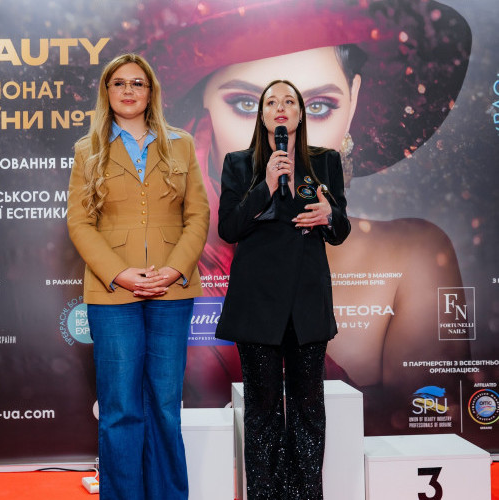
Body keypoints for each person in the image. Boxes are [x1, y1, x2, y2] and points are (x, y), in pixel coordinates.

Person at [129, 0, 472, 415]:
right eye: (246, 104)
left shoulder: (414, 254)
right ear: (202, 108)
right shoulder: (164, 255)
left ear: (353, 101)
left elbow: (425, 423)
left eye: (318, 105)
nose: (282, 125)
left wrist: (326, 217)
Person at [67, 53, 209, 500]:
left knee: (165, 405)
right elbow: (80, 223)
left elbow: (198, 215)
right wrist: (120, 273)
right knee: (120, 408)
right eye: (119, 83)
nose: (128, 90)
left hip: (172, 289)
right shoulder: (87, 149)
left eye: (138, 83)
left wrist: (174, 269)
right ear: (107, 92)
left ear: (151, 93)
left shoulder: (181, 143)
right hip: (113, 294)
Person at [215, 79, 350, 499]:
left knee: (309, 408)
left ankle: (306, 494)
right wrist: (267, 186)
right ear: (261, 114)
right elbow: (229, 228)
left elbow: (340, 230)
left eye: (289, 101)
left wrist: (330, 215)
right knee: (262, 409)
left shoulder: (325, 161)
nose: (280, 107)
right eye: (271, 101)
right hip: (257, 304)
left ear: (300, 113)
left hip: (307, 302)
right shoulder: (240, 163)